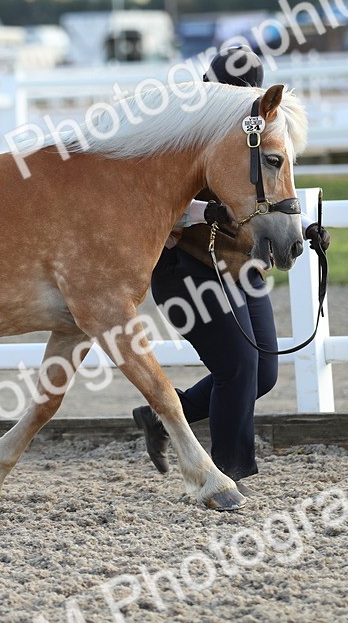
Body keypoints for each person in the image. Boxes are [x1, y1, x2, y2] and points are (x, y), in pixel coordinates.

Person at [131, 46, 329, 493]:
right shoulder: (178, 135)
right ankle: (227, 474)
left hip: (237, 265)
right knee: (238, 368)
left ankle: (166, 414)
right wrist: (206, 213)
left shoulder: (257, 130)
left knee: (264, 373)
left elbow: (268, 194)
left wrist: (302, 229)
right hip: (184, 266)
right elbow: (155, 206)